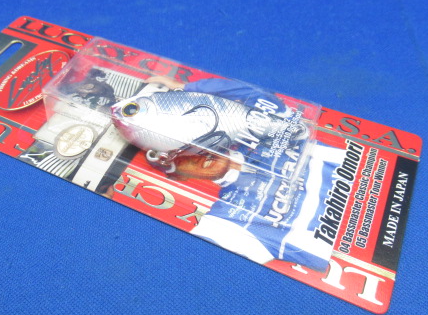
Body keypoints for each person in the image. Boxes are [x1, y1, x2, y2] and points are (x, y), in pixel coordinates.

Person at [145, 75, 345, 271]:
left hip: (362, 179)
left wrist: (185, 88)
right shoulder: (225, 220)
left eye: (192, 143)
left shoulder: (267, 133)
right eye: (176, 159)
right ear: (179, 176)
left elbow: (255, 94)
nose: (194, 155)